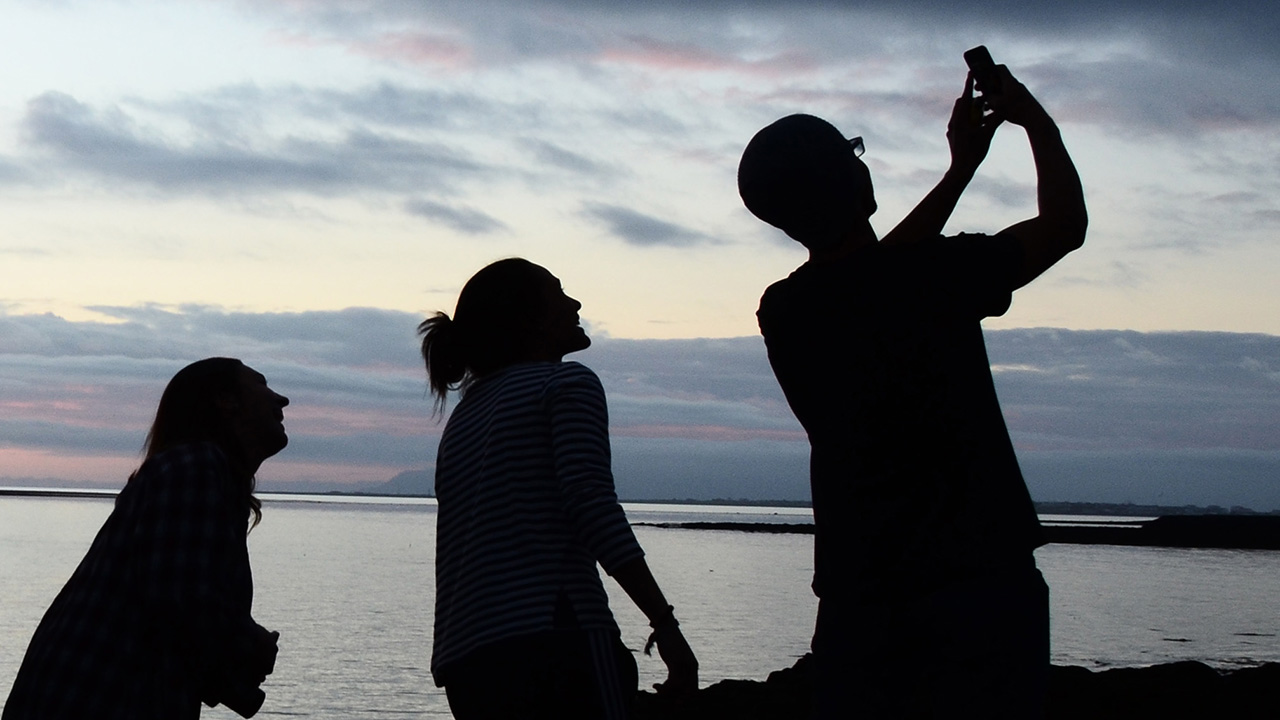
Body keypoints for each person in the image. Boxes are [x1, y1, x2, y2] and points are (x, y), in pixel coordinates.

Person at [738, 62, 1087, 717]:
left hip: (858, 597)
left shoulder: (786, 311)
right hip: (983, 586)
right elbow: (1064, 225)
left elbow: (867, 282)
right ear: (858, 182)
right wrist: (1032, 119)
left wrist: (959, 173)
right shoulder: (937, 275)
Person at [419, 257, 698, 719]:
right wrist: (665, 625)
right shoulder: (565, 382)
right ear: (528, 319)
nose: (575, 303)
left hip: (467, 662)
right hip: (555, 639)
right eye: (559, 293)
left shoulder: (465, 416)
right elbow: (590, 504)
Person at [3, 358, 287, 720]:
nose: (282, 400)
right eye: (261, 385)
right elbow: (180, 599)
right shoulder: (196, 466)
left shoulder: (197, 473)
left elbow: (169, 624)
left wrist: (236, 677)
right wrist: (249, 645)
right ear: (225, 401)